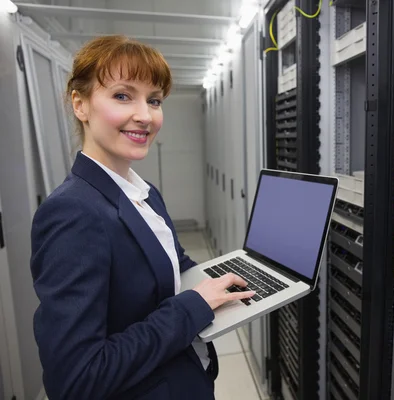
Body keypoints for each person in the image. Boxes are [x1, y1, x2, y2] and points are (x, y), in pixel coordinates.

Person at [29, 35, 255, 400]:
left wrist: (223, 281)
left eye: (154, 100)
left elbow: (171, 264)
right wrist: (194, 307)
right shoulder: (72, 213)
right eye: (122, 96)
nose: (145, 115)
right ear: (80, 104)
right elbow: (75, 380)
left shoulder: (141, 190)